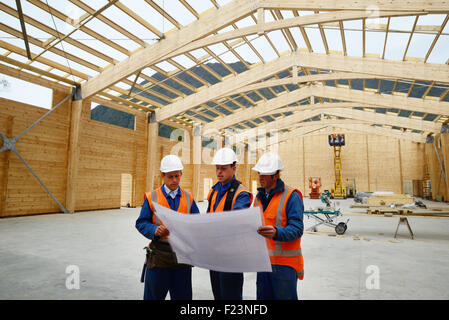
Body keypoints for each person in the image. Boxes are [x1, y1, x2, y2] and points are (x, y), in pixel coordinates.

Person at [135, 154, 200, 300]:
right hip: (159, 257)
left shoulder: (188, 197)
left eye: (177, 176)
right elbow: (141, 222)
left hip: (182, 257)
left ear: (181, 174)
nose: (175, 180)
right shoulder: (152, 197)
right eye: (170, 177)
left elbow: (197, 222)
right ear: (162, 176)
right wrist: (154, 230)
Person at [252, 152, 304, 300]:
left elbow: (297, 228)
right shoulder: (259, 197)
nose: (260, 177)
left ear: (275, 175)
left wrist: (276, 232)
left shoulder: (292, 196)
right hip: (263, 264)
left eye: (265, 174)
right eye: (259, 173)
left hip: (285, 266)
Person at [206, 147, 253, 300]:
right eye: (217, 168)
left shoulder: (242, 194)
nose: (219, 172)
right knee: (218, 295)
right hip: (214, 254)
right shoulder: (213, 192)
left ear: (234, 168)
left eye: (223, 168)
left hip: (231, 258)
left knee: (231, 298)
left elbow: (237, 222)